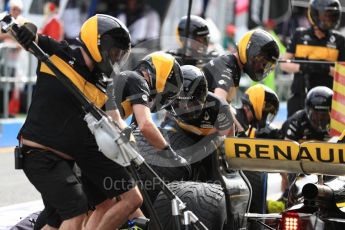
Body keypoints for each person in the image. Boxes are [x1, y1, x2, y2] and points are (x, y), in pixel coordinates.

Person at [12, 14, 143, 230]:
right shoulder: (59, 53)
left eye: (119, 55)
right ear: (96, 43)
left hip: (68, 161)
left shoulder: (103, 84)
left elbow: (114, 119)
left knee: (58, 219)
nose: (115, 59)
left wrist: (130, 142)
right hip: (40, 155)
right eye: (113, 52)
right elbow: (22, 31)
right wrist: (24, 27)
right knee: (77, 210)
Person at [111, 51, 187, 166]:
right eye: (168, 88)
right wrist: (173, 157)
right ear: (162, 76)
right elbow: (145, 126)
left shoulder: (133, 80)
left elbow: (134, 131)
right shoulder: (138, 81)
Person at [280, 0, 345, 117]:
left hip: (327, 99)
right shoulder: (299, 35)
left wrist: (326, 69)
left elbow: (343, 73)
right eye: (325, 15)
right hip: (300, 95)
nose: (329, 19)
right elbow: (284, 64)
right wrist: (304, 66)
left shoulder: (339, 40)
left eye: (332, 15)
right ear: (315, 15)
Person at [280, 86, 333, 207]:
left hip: (330, 168)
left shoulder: (339, 125)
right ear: (308, 111)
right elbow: (284, 158)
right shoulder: (296, 122)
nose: (319, 120)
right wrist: (287, 183)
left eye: (324, 116)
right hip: (300, 169)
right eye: (316, 115)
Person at [202, 28, 280, 104]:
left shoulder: (235, 67)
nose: (262, 68)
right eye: (262, 63)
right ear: (252, 53)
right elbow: (219, 99)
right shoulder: (229, 66)